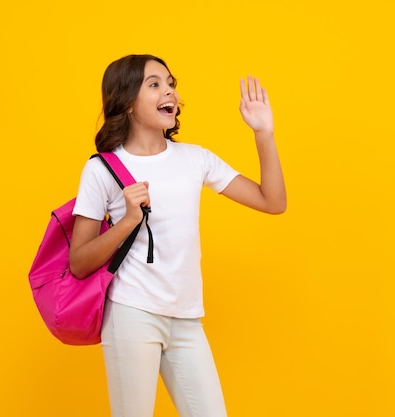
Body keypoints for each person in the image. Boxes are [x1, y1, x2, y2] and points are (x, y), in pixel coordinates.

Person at [69, 54, 286, 417]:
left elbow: (273, 201)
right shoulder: (102, 168)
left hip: (186, 318)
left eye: (170, 83)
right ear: (127, 102)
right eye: (154, 84)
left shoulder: (195, 159)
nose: (169, 90)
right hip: (132, 314)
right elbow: (79, 262)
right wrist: (126, 221)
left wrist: (263, 134)